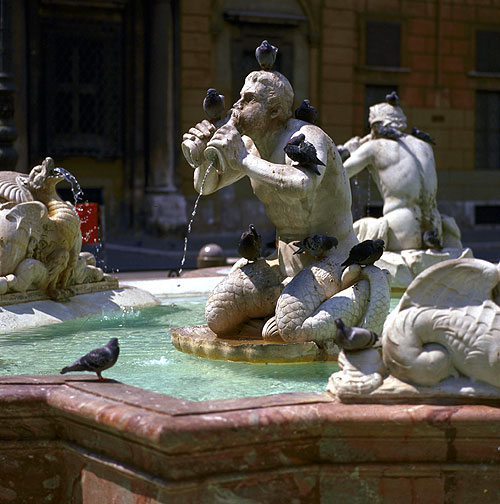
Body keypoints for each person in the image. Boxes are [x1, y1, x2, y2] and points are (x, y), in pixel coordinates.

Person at [182, 70, 358, 335]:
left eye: (249, 99)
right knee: (218, 315)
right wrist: (203, 156)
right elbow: (206, 186)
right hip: (285, 263)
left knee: (289, 326)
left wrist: (243, 160)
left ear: (274, 110)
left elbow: (303, 183)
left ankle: (337, 311)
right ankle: (276, 309)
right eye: (240, 97)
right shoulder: (251, 146)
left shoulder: (308, 136)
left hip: (334, 258)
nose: (237, 105)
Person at [340, 98, 462, 251]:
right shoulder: (424, 145)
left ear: (376, 126)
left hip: (401, 229)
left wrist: (350, 150)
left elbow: (339, 176)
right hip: (435, 226)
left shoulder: (374, 147)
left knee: (354, 235)